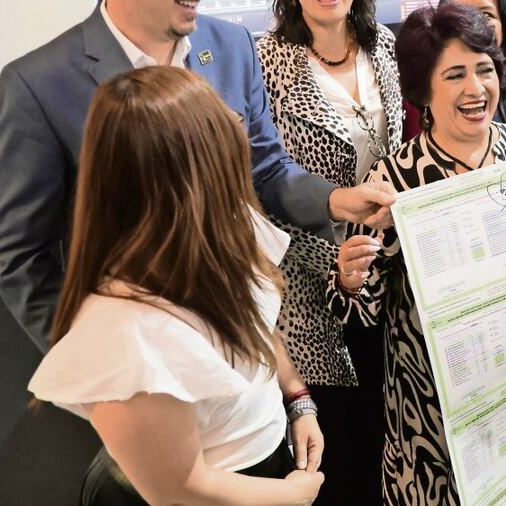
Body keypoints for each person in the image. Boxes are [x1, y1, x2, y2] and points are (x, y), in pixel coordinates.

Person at [0, 0, 394, 352]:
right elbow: (21, 258)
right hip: (142, 361)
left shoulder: (229, 47)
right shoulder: (41, 84)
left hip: (252, 339)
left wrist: (337, 200)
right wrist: (91, 368)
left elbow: (265, 167)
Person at [28, 67, 324, 505]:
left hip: (263, 470)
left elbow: (255, 320)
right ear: (189, 168)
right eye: (218, 119)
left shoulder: (226, 224)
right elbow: (178, 487)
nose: (236, 119)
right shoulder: (125, 329)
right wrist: (291, 496)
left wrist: (296, 397)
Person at [329, 1, 506, 503]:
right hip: (430, 402)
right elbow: (360, 310)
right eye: (454, 75)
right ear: (423, 89)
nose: (476, 89)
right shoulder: (394, 178)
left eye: (485, 70)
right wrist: (349, 277)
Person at [256, 0, 401, 505]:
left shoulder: (384, 46)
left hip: (383, 276)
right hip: (307, 281)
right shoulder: (266, 60)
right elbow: (263, 179)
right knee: (333, 447)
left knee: (383, 431)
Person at [402, 0, 506, 138]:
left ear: (504, 24)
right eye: (461, 13)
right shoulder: (415, 101)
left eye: (486, 14)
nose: (474, 26)